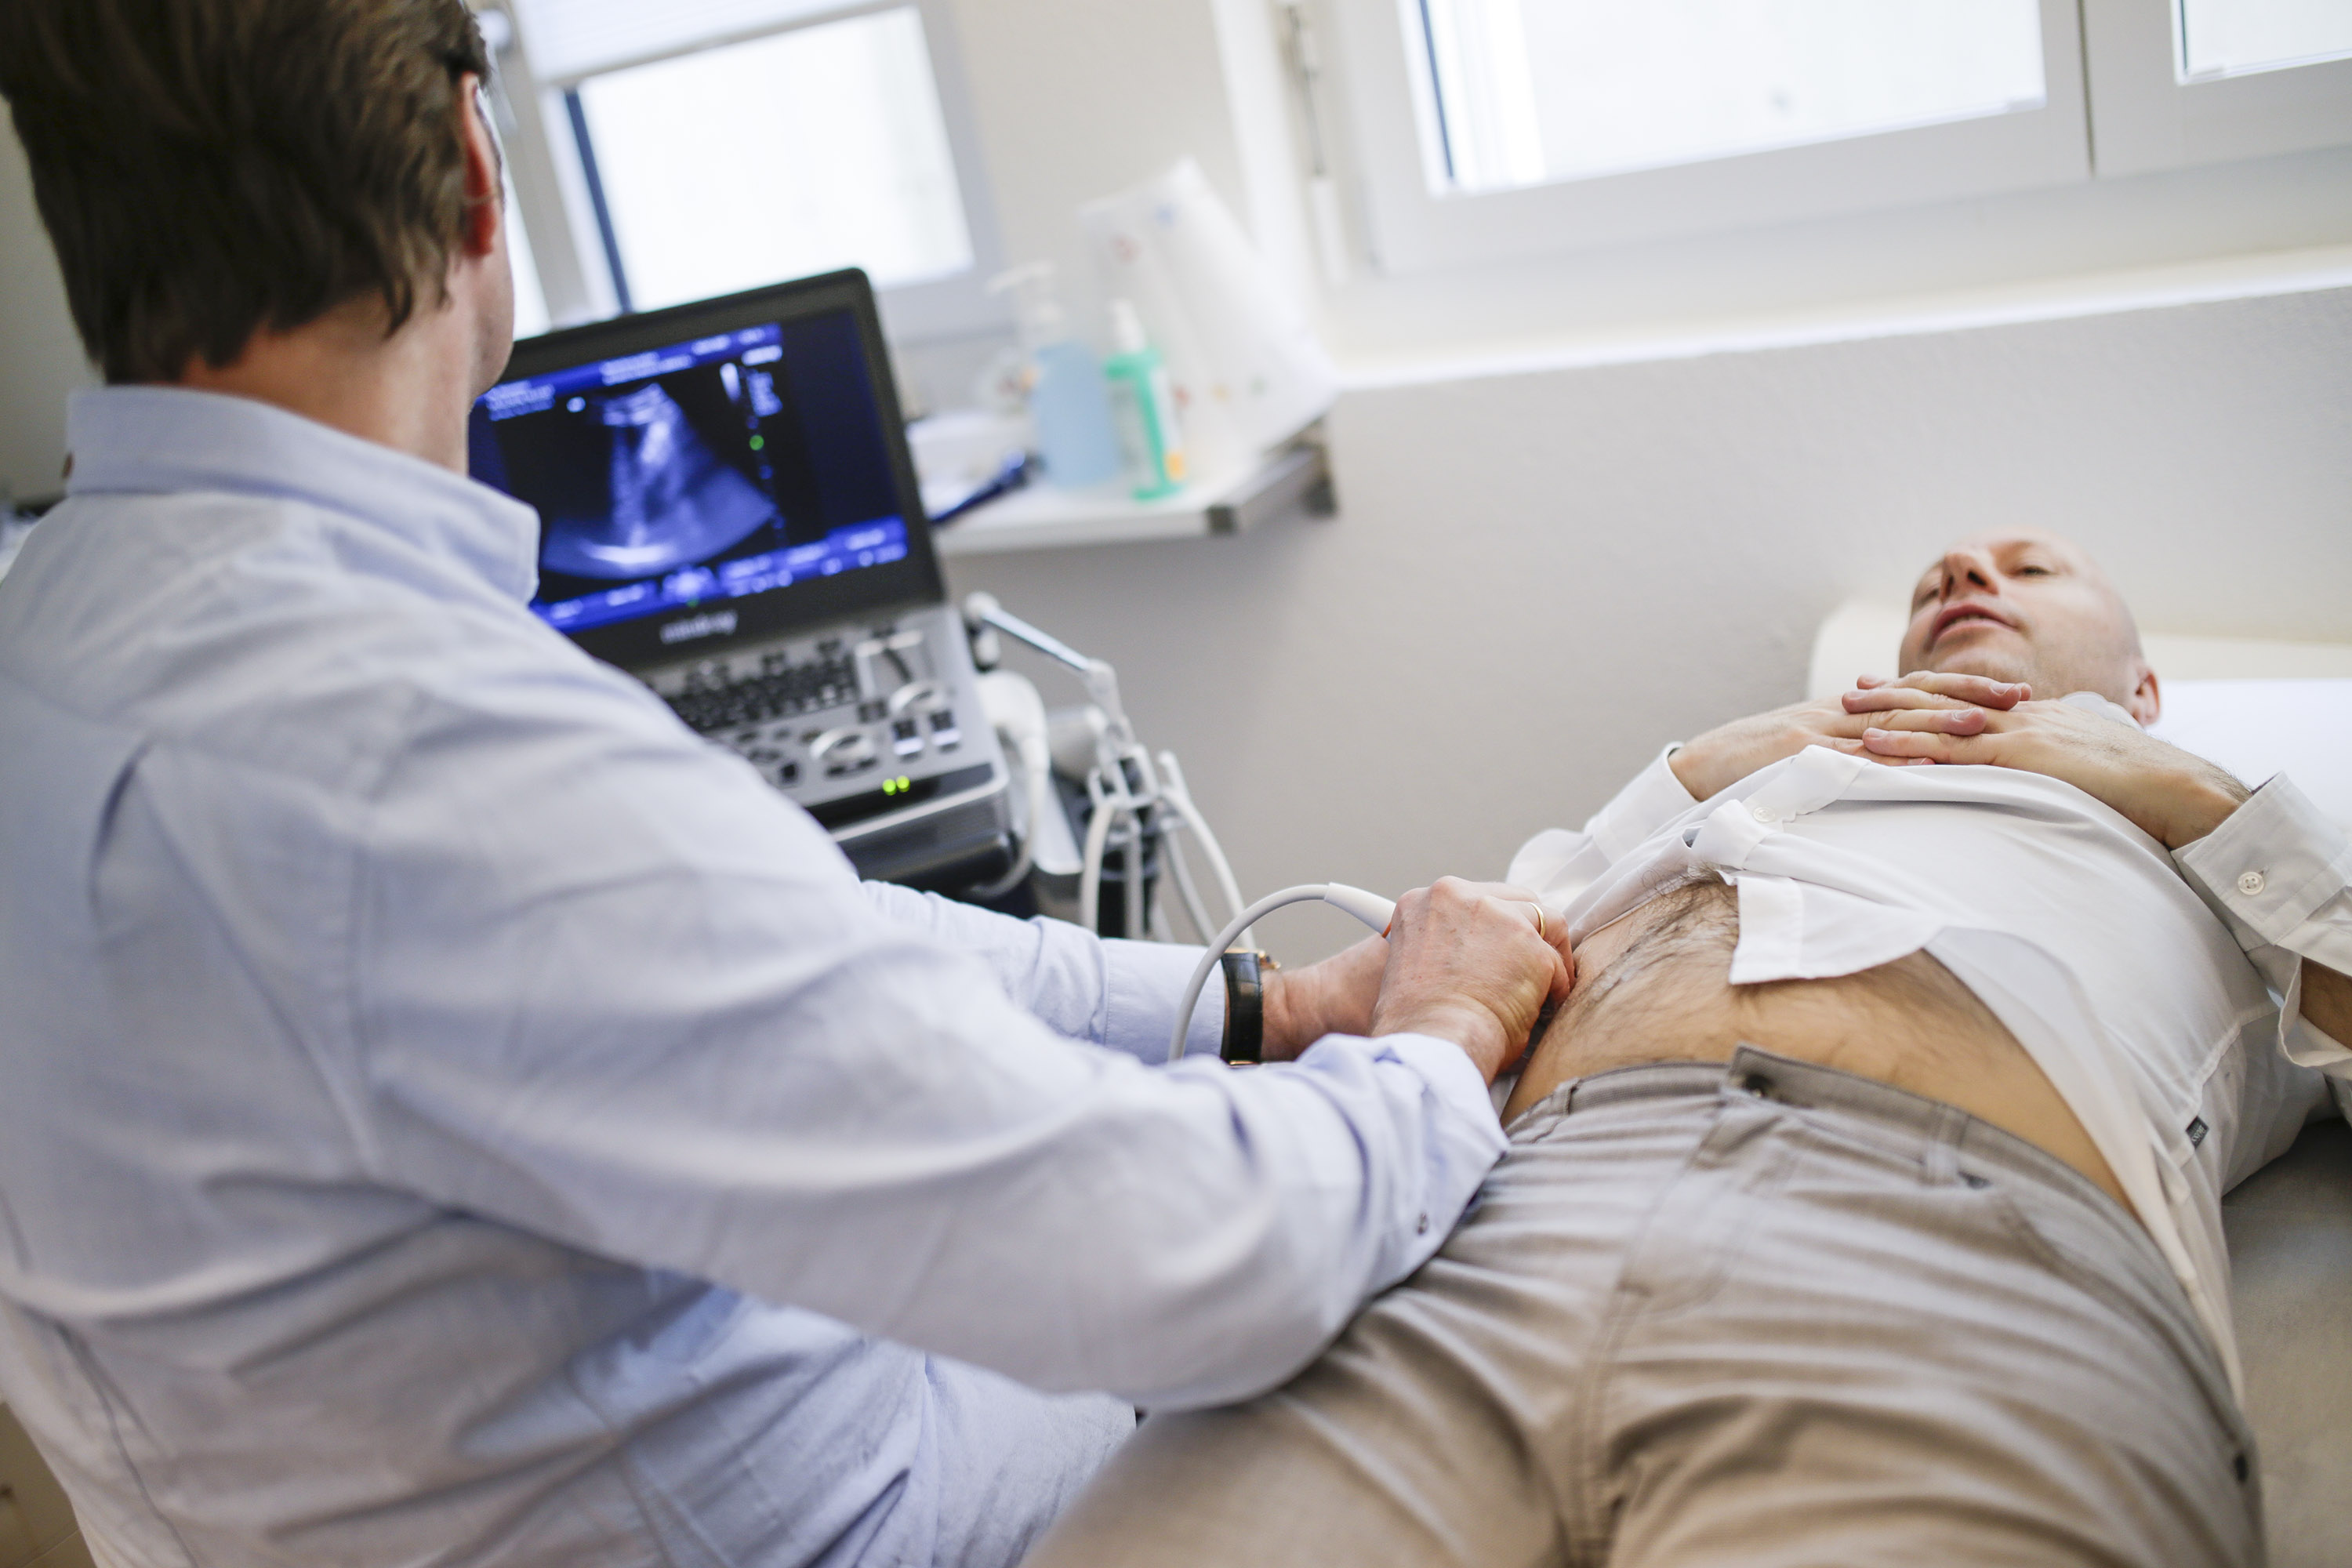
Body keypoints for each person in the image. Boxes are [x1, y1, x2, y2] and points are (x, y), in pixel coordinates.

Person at [0, 4, 1576, 1565]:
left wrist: (1255, 1013)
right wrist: (1436, 1037)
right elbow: (1193, 1262)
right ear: (476, 166)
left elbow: (801, 944)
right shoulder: (431, 759)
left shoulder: (51, 638)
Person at [1024, 528, 2352, 1568]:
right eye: (1942, 572)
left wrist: (2192, 798)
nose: (1964, 573)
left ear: (2145, 689)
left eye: (2030, 568)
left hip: (1956, 1270)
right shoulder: (1743, 781)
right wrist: (1680, 781)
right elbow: (1466, 965)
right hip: (1482, 1235)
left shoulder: (2228, 859)